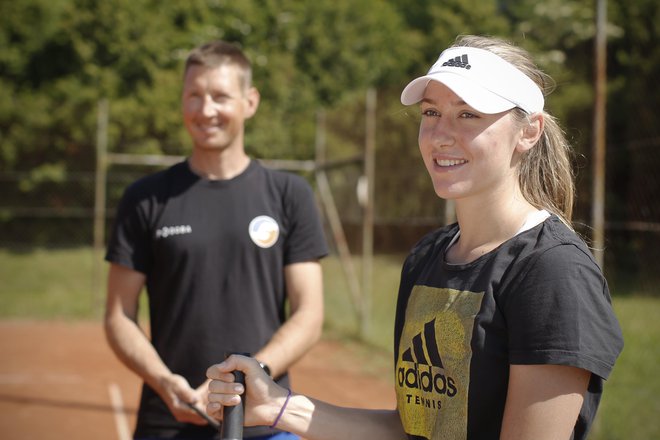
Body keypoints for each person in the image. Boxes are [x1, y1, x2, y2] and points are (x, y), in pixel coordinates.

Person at [205, 35, 624, 440]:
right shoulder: (428, 255)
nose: (440, 135)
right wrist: (277, 405)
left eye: (468, 114)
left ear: (529, 132)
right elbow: (413, 431)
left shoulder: (551, 272)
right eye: (430, 113)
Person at [104, 40, 328, 440]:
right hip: (168, 420)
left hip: (266, 419)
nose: (206, 110)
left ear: (250, 101)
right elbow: (119, 315)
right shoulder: (145, 198)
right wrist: (163, 381)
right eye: (194, 96)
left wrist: (247, 377)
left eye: (220, 96)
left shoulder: (290, 194)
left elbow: (308, 315)